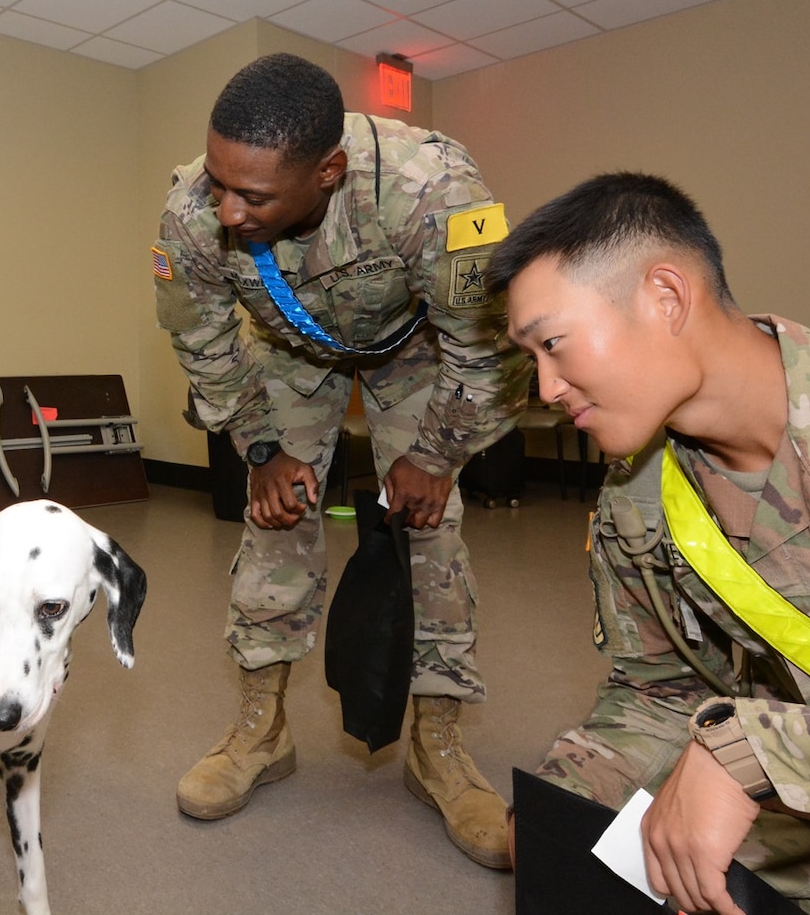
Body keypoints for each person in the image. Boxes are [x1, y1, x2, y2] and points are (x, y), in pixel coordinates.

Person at [490, 172, 810, 914]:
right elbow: (657, 693)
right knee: (644, 868)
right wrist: (564, 799)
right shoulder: (637, 502)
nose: (545, 389)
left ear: (666, 298)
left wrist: (761, 754)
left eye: (553, 344)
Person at [152, 53, 529, 869]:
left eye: (252, 196)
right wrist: (260, 447)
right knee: (276, 519)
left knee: (429, 530)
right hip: (291, 352)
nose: (226, 208)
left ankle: (437, 746)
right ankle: (262, 728)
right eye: (219, 182)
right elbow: (201, 337)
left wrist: (434, 456)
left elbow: (486, 345)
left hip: (413, 348)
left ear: (327, 173)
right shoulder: (194, 205)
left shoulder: (436, 189)